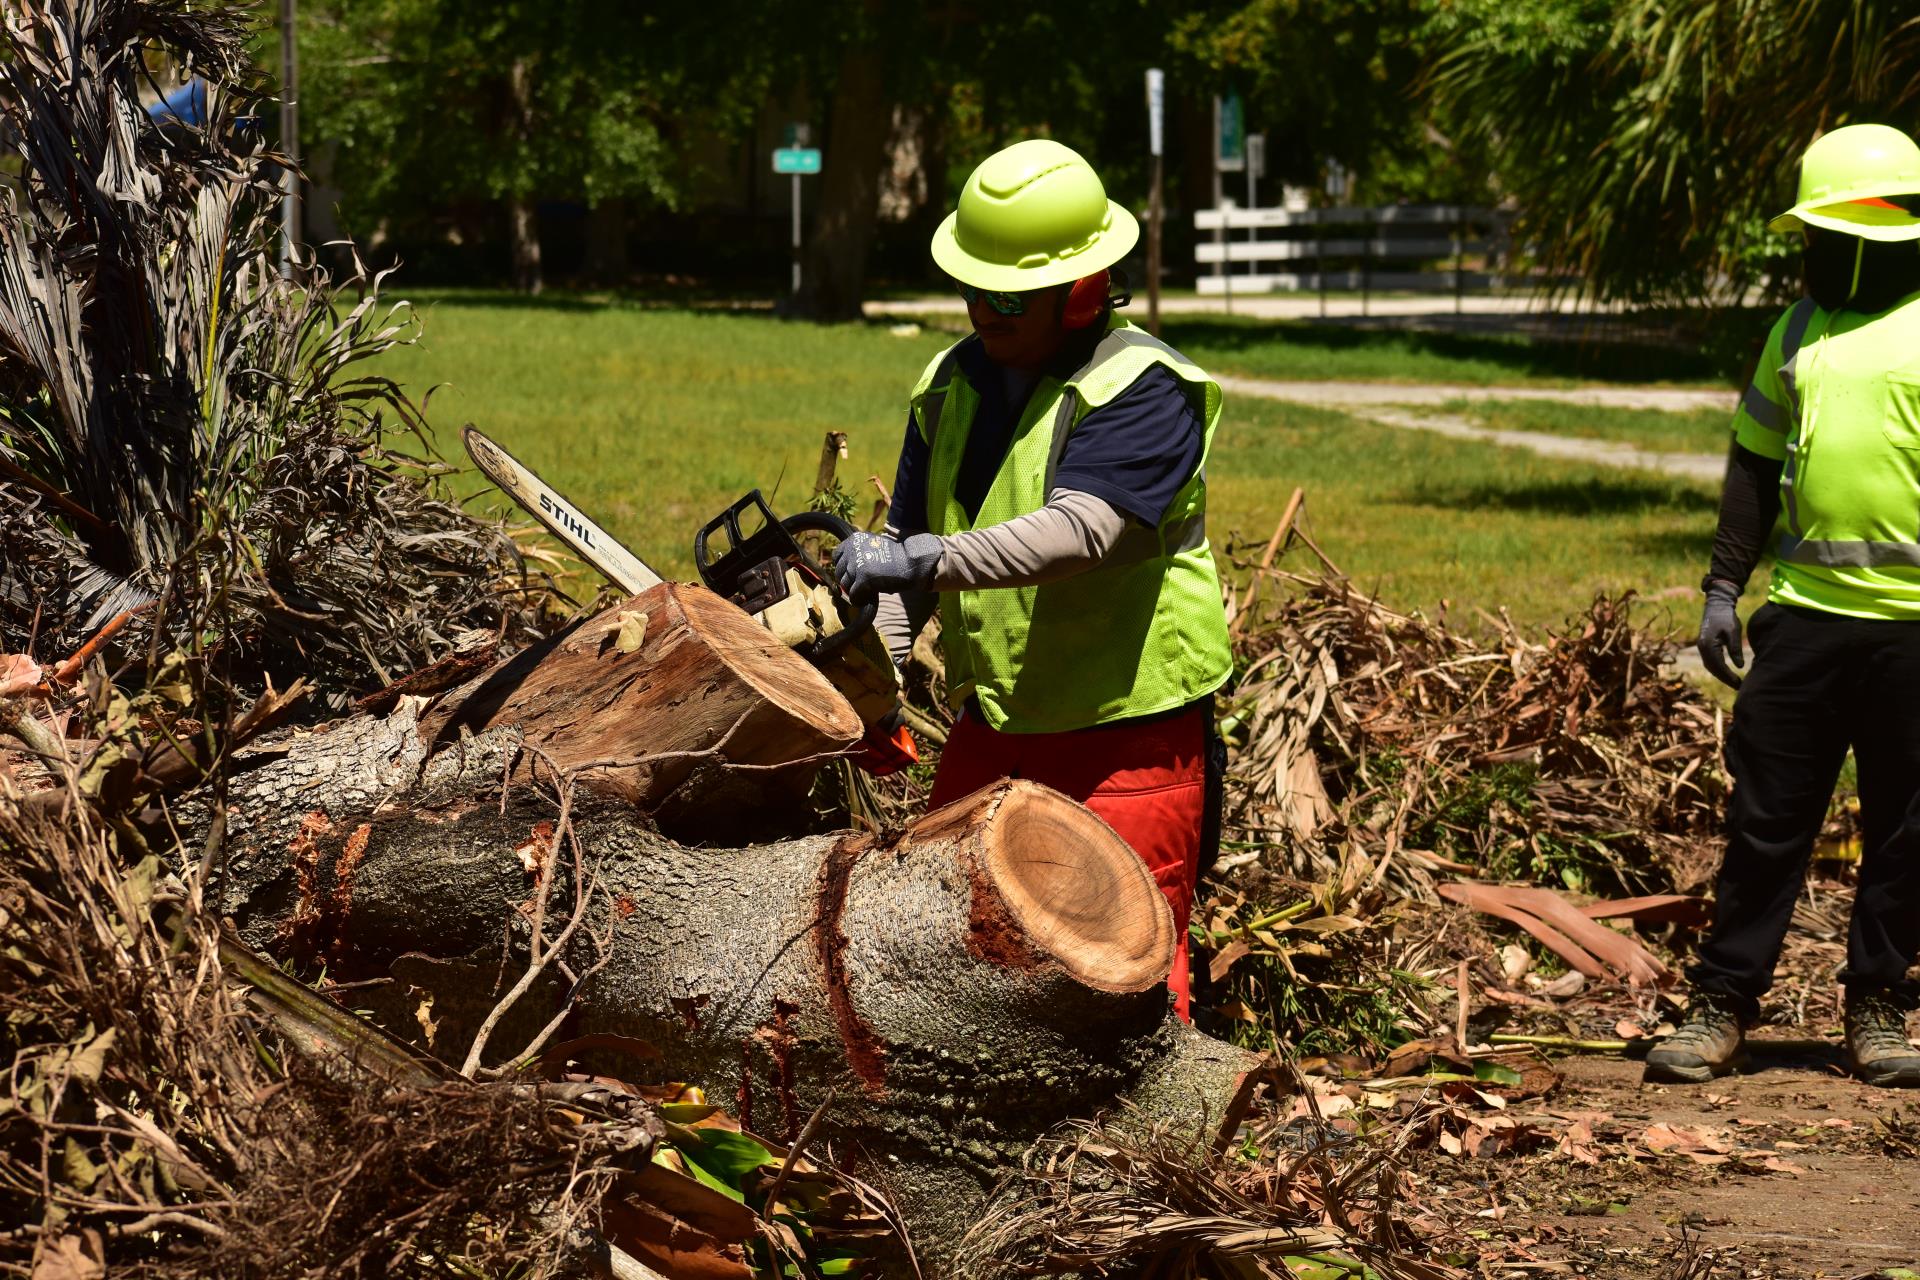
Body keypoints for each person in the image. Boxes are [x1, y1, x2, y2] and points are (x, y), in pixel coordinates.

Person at [832, 139, 1234, 1020]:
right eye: (973, 287)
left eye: (1009, 294)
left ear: (1084, 289)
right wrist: (882, 675)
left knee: (1120, 973)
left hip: (1127, 731)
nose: (985, 309)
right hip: (1002, 721)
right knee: (936, 933)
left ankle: (1148, 1152)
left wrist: (922, 558)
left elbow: (1081, 532)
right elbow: (907, 540)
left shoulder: (1142, 387)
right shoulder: (950, 382)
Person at [1646, 123, 1920, 1088]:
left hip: (1913, 635)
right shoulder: (1797, 331)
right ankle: (1721, 1004)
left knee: (1903, 832)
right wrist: (1725, 588)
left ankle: (1879, 1009)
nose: (1811, 251)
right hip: (1804, 624)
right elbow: (1754, 469)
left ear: (1869, 232)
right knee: (1767, 823)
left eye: (1821, 234)